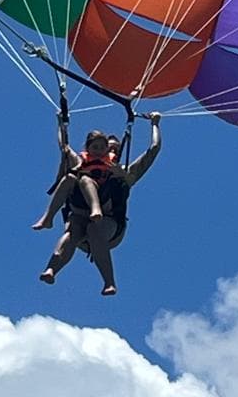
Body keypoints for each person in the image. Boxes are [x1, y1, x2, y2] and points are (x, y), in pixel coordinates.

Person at [37, 112, 162, 296]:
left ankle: (109, 283)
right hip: (80, 219)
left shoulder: (126, 174)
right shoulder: (82, 164)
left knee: (94, 229)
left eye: (114, 151)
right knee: (74, 225)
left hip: (108, 227)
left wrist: (155, 124)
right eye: (106, 149)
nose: (110, 153)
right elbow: (64, 146)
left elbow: (153, 149)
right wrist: (61, 122)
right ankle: (51, 269)